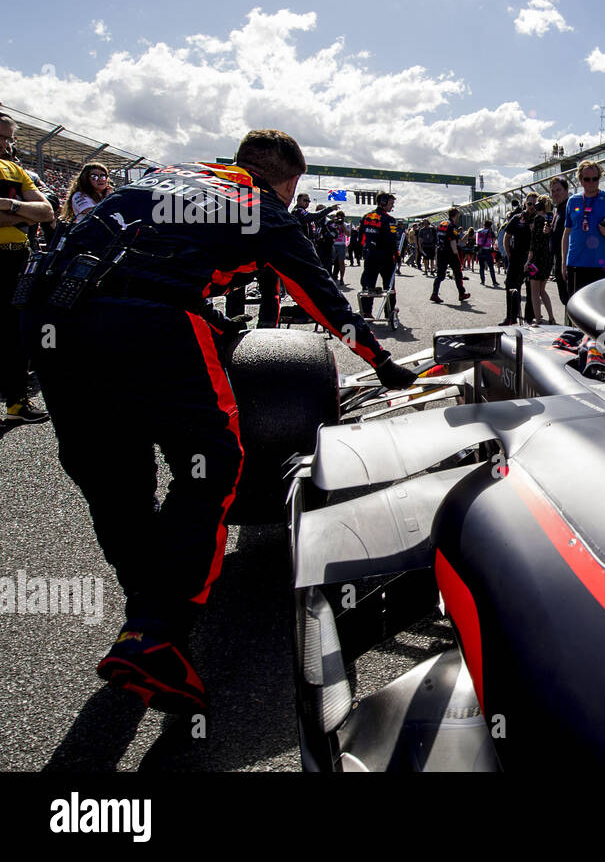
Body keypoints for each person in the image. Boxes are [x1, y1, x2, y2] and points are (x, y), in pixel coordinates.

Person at [20, 129, 417, 713]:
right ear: (287, 180)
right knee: (214, 465)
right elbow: (323, 300)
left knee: (114, 479)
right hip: (148, 321)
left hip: (47, 316)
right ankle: (157, 628)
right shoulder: (264, 208)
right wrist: (383, 363)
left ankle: (146, 627)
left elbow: (114, 253)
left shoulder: (167, 177)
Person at [0, 112, 54, 424]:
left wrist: (8, 206)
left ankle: (17, 403)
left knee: (14, 331)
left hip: (16, 257)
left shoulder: (15, 169)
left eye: (9, 138)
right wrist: (23, 213)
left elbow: (45, 211)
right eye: (1, 137)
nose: (6, 144)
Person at [560, 161, 605, 297]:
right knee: (575, 310)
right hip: (576, 264)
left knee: (603, 309)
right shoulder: (573, 201)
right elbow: (566, 234)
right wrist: (563, 262)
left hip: (602, 265)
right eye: (587, 179)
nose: (591, 182)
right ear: (580, 180)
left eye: (595, 179)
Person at [358, 193, 400, 319]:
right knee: (389, 286)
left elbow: (361, 238)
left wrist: (367, 249)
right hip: (386, 257)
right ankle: (390, 312)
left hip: (370, 255)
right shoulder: (389, 220)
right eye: (391, 203)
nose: (392, 207)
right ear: (383, 202)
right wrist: (397, 255)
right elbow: (392, 241)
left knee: (368, 285)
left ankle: (366, 311)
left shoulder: (366, 217)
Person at [501, 197, 534, 325]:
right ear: (525, 203)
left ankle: (529, 319)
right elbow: (506, 237)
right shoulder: (517, 218)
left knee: (531, 290)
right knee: (511, 286)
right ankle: (511, 317)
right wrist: (509, 254)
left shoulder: (539, 219)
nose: (531, 206)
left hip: (532, 259)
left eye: (534, 204)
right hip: (516, 258)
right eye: (529, 203)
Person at [429, 206, 471, 303]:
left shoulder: (442, 224)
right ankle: (461, 294)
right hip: (450, 252)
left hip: (440, 251)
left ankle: (434, 294)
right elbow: (452, 241)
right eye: (458, 216)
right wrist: (456, 254)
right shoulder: (452, 226)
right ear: (455, 215)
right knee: (458, 273)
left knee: (440, 275)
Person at [526, 196, 556, 324]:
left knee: (534, 292)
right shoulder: (551, 219)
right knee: (542, 291)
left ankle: (537, 319)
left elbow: (534, 243)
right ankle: (551, 317)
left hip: (536, 259)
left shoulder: (538, 219)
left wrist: (528, 261)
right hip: (547, 258)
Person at [547, 176, 571, 307]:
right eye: (553, 191)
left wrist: (564, 264)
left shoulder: (569, 208)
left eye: (559, 190)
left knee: (569, 300)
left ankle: (573, 327)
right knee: (565, 299)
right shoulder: (559, 210)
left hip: (566, 262)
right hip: (558, 260)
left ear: (566, 191)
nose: (555, 193)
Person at [475, 219, 497, 285]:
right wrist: (491, 243)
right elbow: (495, 239)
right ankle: (494, 281)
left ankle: (482, 281)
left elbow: (477, 242)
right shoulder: (490, 232)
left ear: (484, 225)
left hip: (480, 250)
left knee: (481, 267)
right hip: (488, 250)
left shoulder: (479, 231)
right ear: (490, 226)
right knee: (491, 267)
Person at [330, 211, 349, 283]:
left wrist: (342, 225)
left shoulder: (345, 224)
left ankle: (342, 278)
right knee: (332, 261)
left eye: (342, 216)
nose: (340, 218)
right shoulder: (333, 224)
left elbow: (348, 234)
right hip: (333, 244)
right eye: (339, 216)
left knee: (341, 262)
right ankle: (332, 275)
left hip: (341, 244)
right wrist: (335, 222)